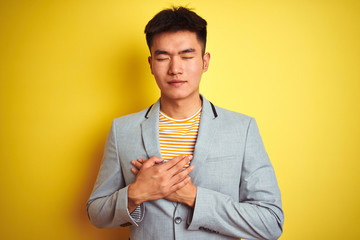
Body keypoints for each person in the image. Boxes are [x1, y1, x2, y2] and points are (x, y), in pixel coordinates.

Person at [87, 6, 284, 240]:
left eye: (187, 56)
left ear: (205, 61)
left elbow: (271, 222)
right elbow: (96, 212)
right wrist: (135, 194)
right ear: (150, 64)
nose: (175, 69)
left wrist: (191, 196)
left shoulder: (242, 129)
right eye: (163, 57)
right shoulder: (122, 130)